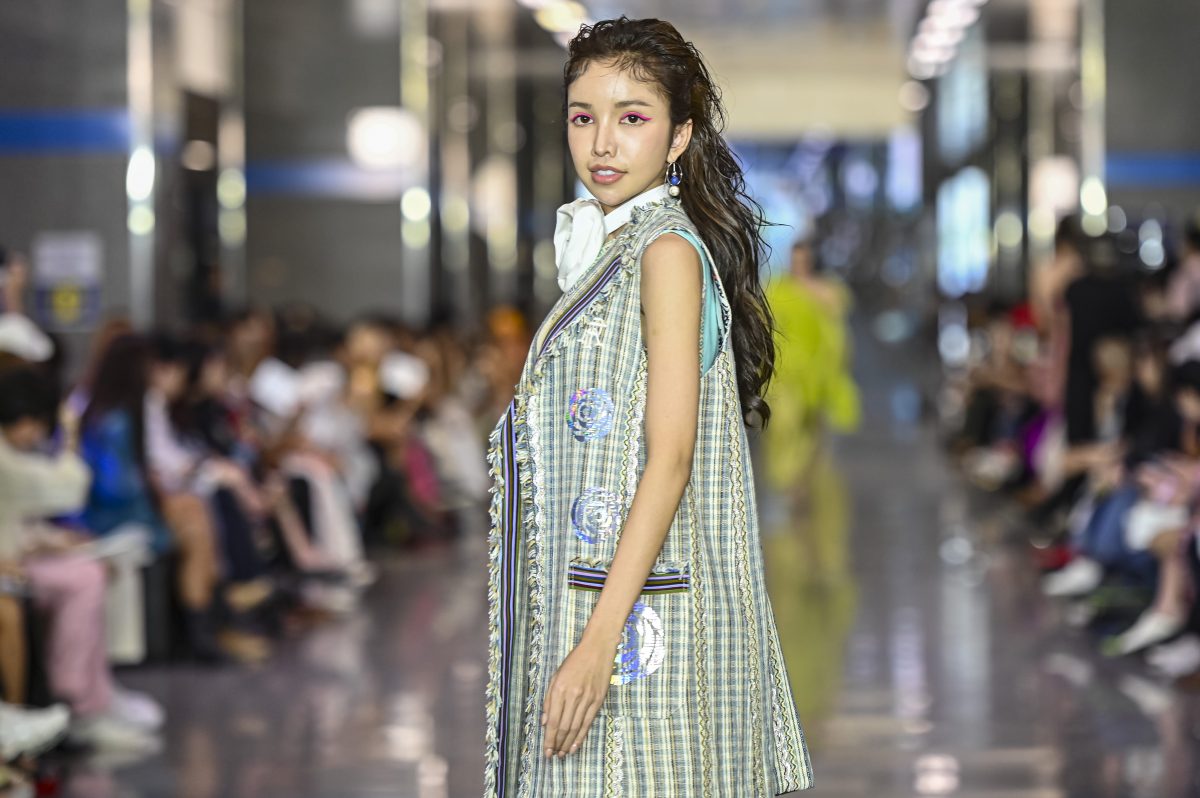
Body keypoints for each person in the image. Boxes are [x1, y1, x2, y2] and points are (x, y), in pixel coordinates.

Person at [483, 17, 812, 797]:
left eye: (631, 118)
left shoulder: (663, 252)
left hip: (634, 629)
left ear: (678, 137)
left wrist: (599, 644)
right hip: (603, 600)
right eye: (583, 117)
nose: (602, 143)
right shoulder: (621, 247)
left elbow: (672, 458)